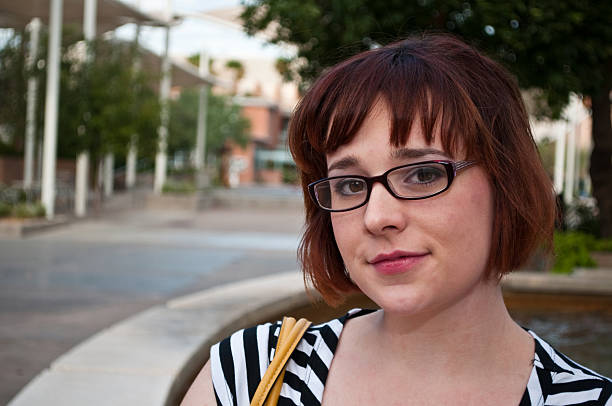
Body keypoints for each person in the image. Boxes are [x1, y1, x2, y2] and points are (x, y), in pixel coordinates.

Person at [182, 34, 611, 406]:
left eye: (423, 174)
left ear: (505, 183)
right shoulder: (249, 376)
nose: (377, 217)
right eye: (350, 184)